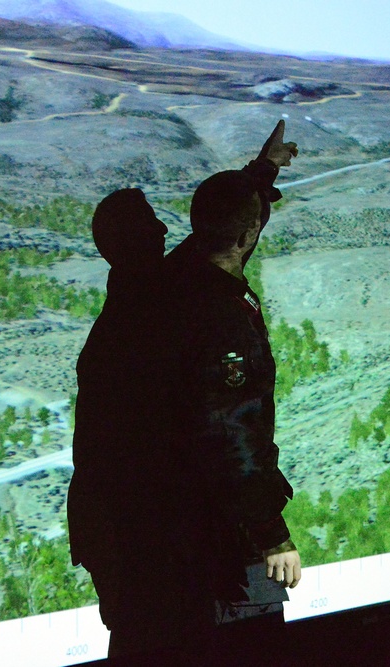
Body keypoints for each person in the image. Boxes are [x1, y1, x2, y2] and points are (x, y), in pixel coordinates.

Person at [67, 121, 302, 666]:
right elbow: (231, 433)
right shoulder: (194, 309)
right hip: (170, 542)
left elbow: (220, 223)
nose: (163, 233)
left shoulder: (145, 293)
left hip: (123, 534)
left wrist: (262, 173)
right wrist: (271, 534)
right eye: (154, 227)